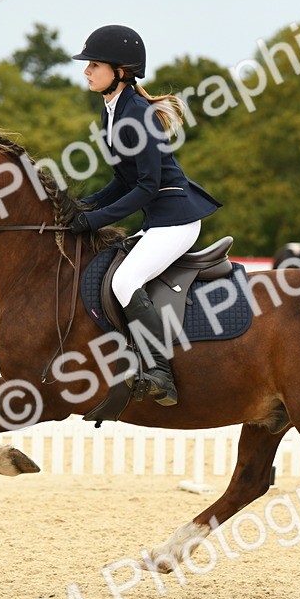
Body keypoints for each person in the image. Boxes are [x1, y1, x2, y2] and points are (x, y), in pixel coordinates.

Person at [68, 24, 222, 407]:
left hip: (178, 219)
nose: (87, 70)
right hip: (161, 219)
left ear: (121, 70)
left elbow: (148, 186)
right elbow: (122, 180)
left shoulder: (136, 114)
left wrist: (95, 221)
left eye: (94, 64)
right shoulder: (112, 112)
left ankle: (160, 372)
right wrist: (81, 207)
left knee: (124, 280)